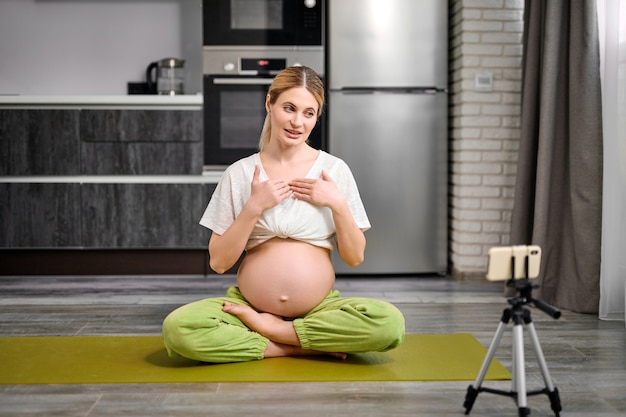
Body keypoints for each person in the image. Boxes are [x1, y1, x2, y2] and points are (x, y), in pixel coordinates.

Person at [162, 66, 405, 363]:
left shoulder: (335, 171)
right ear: (269, 104)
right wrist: (254, 206)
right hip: (248, 309)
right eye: (289, 108)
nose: (297, 122)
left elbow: (354, 258)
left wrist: (337, 204)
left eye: (308, 113)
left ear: (317, 117)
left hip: (318, 310)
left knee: (388, 323)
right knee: (179, 328)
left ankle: (273, 333)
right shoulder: (240, 173)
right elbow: (219, 262)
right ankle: (296, 344)